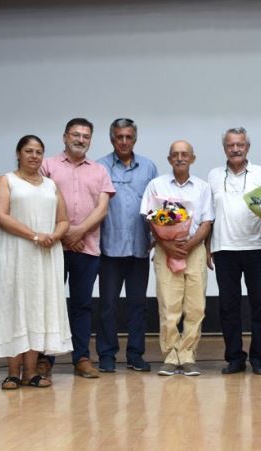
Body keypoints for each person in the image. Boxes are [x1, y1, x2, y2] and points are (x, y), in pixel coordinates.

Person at [0, 135, 72, 389]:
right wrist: (34, 235)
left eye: (38, 152)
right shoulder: (6, 180)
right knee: (14, 308)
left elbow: (64, 220)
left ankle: (31, 372)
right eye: (28, 151)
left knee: (37, 308)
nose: (34, 156)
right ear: (19, 153)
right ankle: (13, 373)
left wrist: (54, 235)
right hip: (13, 252)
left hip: (44, 255)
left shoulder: (51, 185)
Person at [41, 118, 115, 379]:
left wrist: (77, 231)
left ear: (90, 140)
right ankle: (44, 358)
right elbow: (39, 204)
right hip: (52, 248)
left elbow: (102, 209)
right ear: (64, 137)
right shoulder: (46, 166)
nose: (80, 140)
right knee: (49, 304)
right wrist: (63, 234)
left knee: (82, 305)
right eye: (75, 134)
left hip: (87, 247)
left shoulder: (99, 170)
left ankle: (81, 357)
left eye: (86, 136)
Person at [140, 140, 213, 376]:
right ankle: (171, 356)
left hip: (195, 251)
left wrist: (190, 244)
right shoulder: (156, 185)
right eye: (175, 154)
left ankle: (188, 355)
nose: (180, 158)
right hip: (165, 250)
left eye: (185, 154)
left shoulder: (202, 187)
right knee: (169, 306)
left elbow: (206, 222)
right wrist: (167, 244)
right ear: (169, 158)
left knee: (195, 307)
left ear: (193, 158)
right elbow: (151, 220)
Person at [206, 127, 261, 375]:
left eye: (240, 145)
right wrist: (207, 247)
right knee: (228, 306)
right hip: (224, 249)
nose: (235, 149)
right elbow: (208, 215)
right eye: (231, 145)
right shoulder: (213, 176)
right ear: (224, 148)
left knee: (260, 304)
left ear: (248, 147)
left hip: (256, 247)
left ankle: (259, 357)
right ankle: (234, 357)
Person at [96, 118, 158, 373]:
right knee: (108, 305)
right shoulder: (99, 167)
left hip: (139, 247)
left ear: (135, 138)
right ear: (112, 139)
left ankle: (135, 354)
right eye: (119, 137)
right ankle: (107, 355)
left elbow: (156, 206)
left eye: (128, 137)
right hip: (108, 248)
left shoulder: (148, 167)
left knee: (138, 305)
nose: (124, 141)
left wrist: (158, 237)